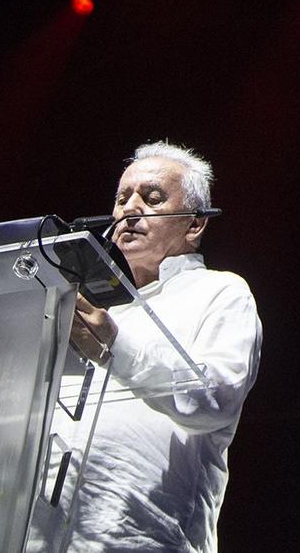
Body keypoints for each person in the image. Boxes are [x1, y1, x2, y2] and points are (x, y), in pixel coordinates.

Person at [62, 140, 262, 553]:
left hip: (144, 539)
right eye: (122, 198)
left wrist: (114, 346)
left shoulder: (220, 292)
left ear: (194, 224)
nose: (129, 209)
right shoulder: (78, 305)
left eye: (152, 198)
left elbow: (214, 398)